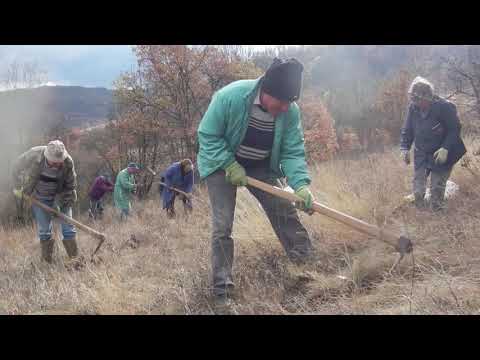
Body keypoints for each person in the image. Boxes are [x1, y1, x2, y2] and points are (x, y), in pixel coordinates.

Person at [197, 58, 315, 304]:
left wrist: (301, 185)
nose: (285, 108)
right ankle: (223, 291)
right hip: (221, 165)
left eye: (290, 102)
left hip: (261, 165)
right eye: (281, 102)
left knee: (283, 208)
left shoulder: (289, 111)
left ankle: (305, 265)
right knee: (223, 225)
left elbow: (292, 151)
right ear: (266, 91)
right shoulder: (230, 97)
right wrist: (229, 164)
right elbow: (207, 135)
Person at [400, 76, 466, 211]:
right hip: (422, 153)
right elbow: (408, 129)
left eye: (418, 99)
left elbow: (455, 129)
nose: (416, 103)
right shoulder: (413, 108)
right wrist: (405, 148)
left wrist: (445, 148)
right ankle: (420, 210)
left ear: (428, 97)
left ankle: (438, 211)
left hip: (441, 153)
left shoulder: (444, 107)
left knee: (436, 191)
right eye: (413, 99)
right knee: (418, 191)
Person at [12, 140, 79, 263]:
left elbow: (70, 186)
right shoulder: (34, 155)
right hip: (40, 198)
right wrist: (18, 186)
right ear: (47, 156)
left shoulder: (68, 162)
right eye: (53, 163)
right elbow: (16, 166)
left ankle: (75, 260)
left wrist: (59, 203)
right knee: (44, 230)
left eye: (58, 163)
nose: (56, 166)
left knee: (68, 228)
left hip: (62, 196)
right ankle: (47, 262)